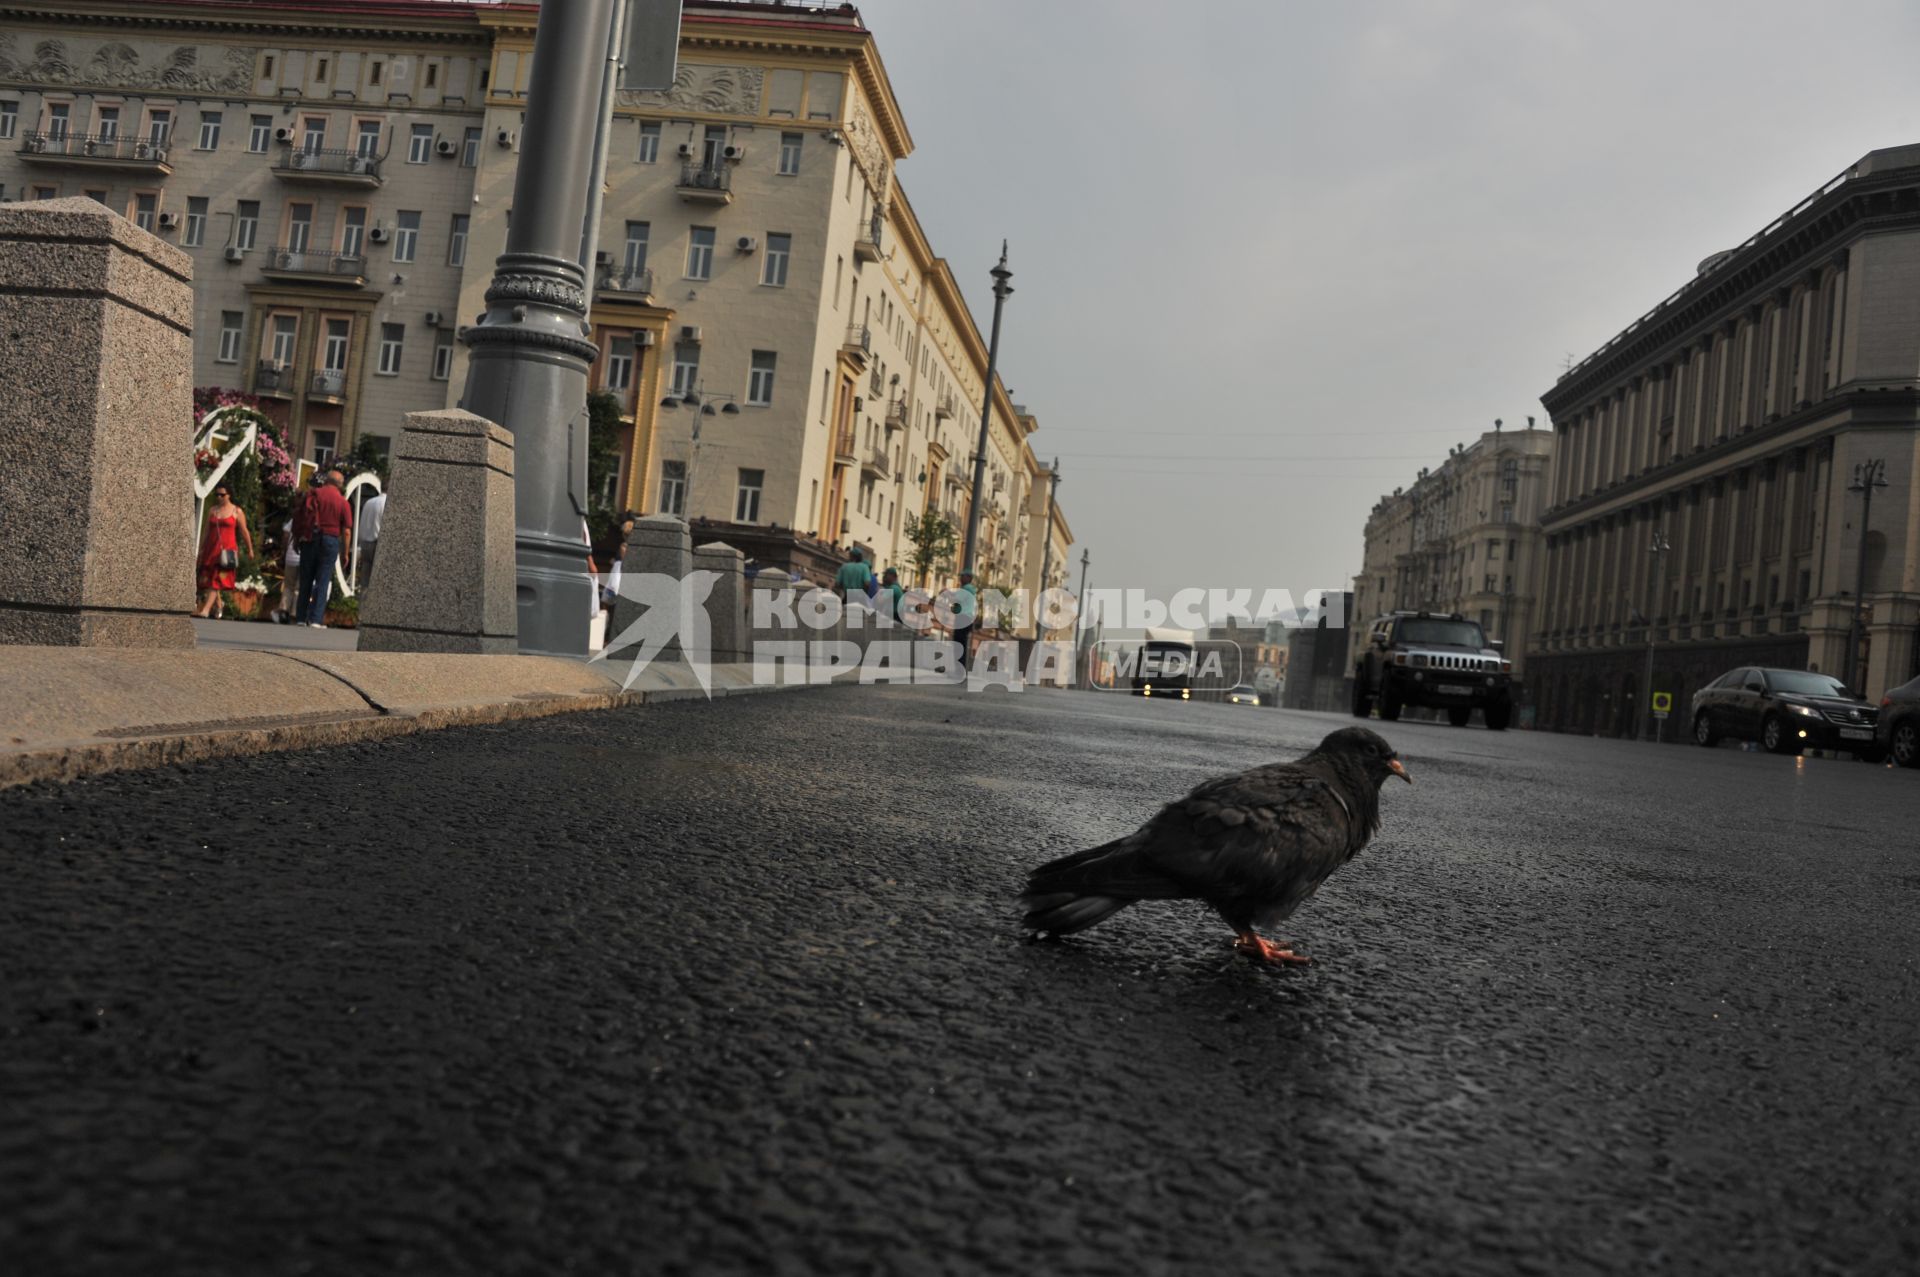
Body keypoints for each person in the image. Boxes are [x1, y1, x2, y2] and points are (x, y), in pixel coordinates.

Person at [295, 469, 353, 628]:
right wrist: (345, 552)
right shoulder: (342, 502)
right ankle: (315, 620)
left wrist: (296, 539)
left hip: (310, 538)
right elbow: (347, 531)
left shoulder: (313, 494)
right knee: (323, 579)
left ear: (326, 480)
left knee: (306, 578)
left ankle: (300, 617)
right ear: (340, 485)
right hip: (330, 540)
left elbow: (300, 517)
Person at [192, 484, 255, 618]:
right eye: (217, 495)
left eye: (222, 495)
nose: (219, 497)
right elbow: (206, 531)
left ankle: (206, 609)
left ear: (229, 495)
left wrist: (250, 549)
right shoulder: (213, 510)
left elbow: (244, 531)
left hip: (227, 551)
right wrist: (201, 548)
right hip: (211, 548)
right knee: (210, 579)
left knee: (216, 579)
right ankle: (219, 604)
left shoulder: (236, 511)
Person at [946, 569, 980, 668]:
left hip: (963, 618)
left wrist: (946, 593)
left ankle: (959, 670)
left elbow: (955, 599)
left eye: (963, 576)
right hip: (967, 618)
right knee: (962, 643)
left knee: (958, 644)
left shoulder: (966, 588)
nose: (961, 578)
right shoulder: (970, 589)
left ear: (969, 578)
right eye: (961, 576)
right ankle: (960, 669)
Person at [356, 487, 387, 590]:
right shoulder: (386, 503)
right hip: (376, 544)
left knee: (365, 579)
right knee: (377, 580)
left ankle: (363, 603)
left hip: (365, 543)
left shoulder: (369, 502)